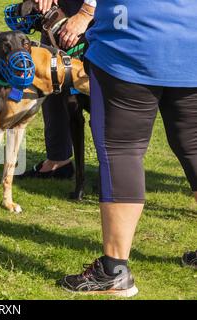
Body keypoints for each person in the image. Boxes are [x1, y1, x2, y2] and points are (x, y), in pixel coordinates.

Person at [61, 0, 197, 296]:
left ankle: (114, 271)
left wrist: (85, 13)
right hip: (190, 41)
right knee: (194, 147)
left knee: (122, 150)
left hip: (130, 45)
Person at [20, 0, 95, 179]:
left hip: (99, 11)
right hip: (62, 7)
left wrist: (86, 13)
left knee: (95, 90)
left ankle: (115, 168)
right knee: (52, 80)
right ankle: (58, 159)